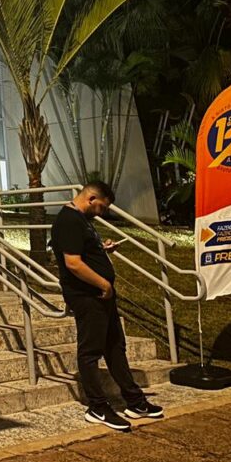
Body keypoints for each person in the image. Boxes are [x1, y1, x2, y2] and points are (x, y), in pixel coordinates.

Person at [49, 182, 164, 432]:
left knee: (115, 346)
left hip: (100, 295)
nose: (102, 212)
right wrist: (103, 283)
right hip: (87, 295)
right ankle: (97, 407)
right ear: (91, 198)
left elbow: (83, 253)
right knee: (90, 351)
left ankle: (134, 401)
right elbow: (73, 263)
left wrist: (102, 250)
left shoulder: (82, 221)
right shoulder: (69, 220)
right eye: (102, 206)